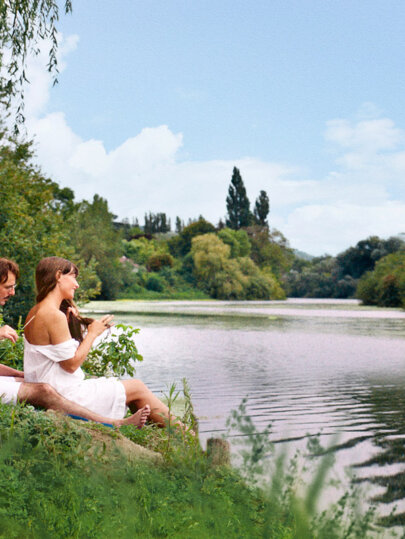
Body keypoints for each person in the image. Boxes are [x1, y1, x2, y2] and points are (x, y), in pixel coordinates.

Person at [24, 256, 173, 427]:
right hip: (63, 395)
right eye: (73, 277)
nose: (76, 284)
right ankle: (186, 438)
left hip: (52, 388)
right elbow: (71, 365)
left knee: (128, 388)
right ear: (58, 276)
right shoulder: (52, 314)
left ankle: (174, 436)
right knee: (137, 387)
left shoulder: (36, 311)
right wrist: (92, 334)